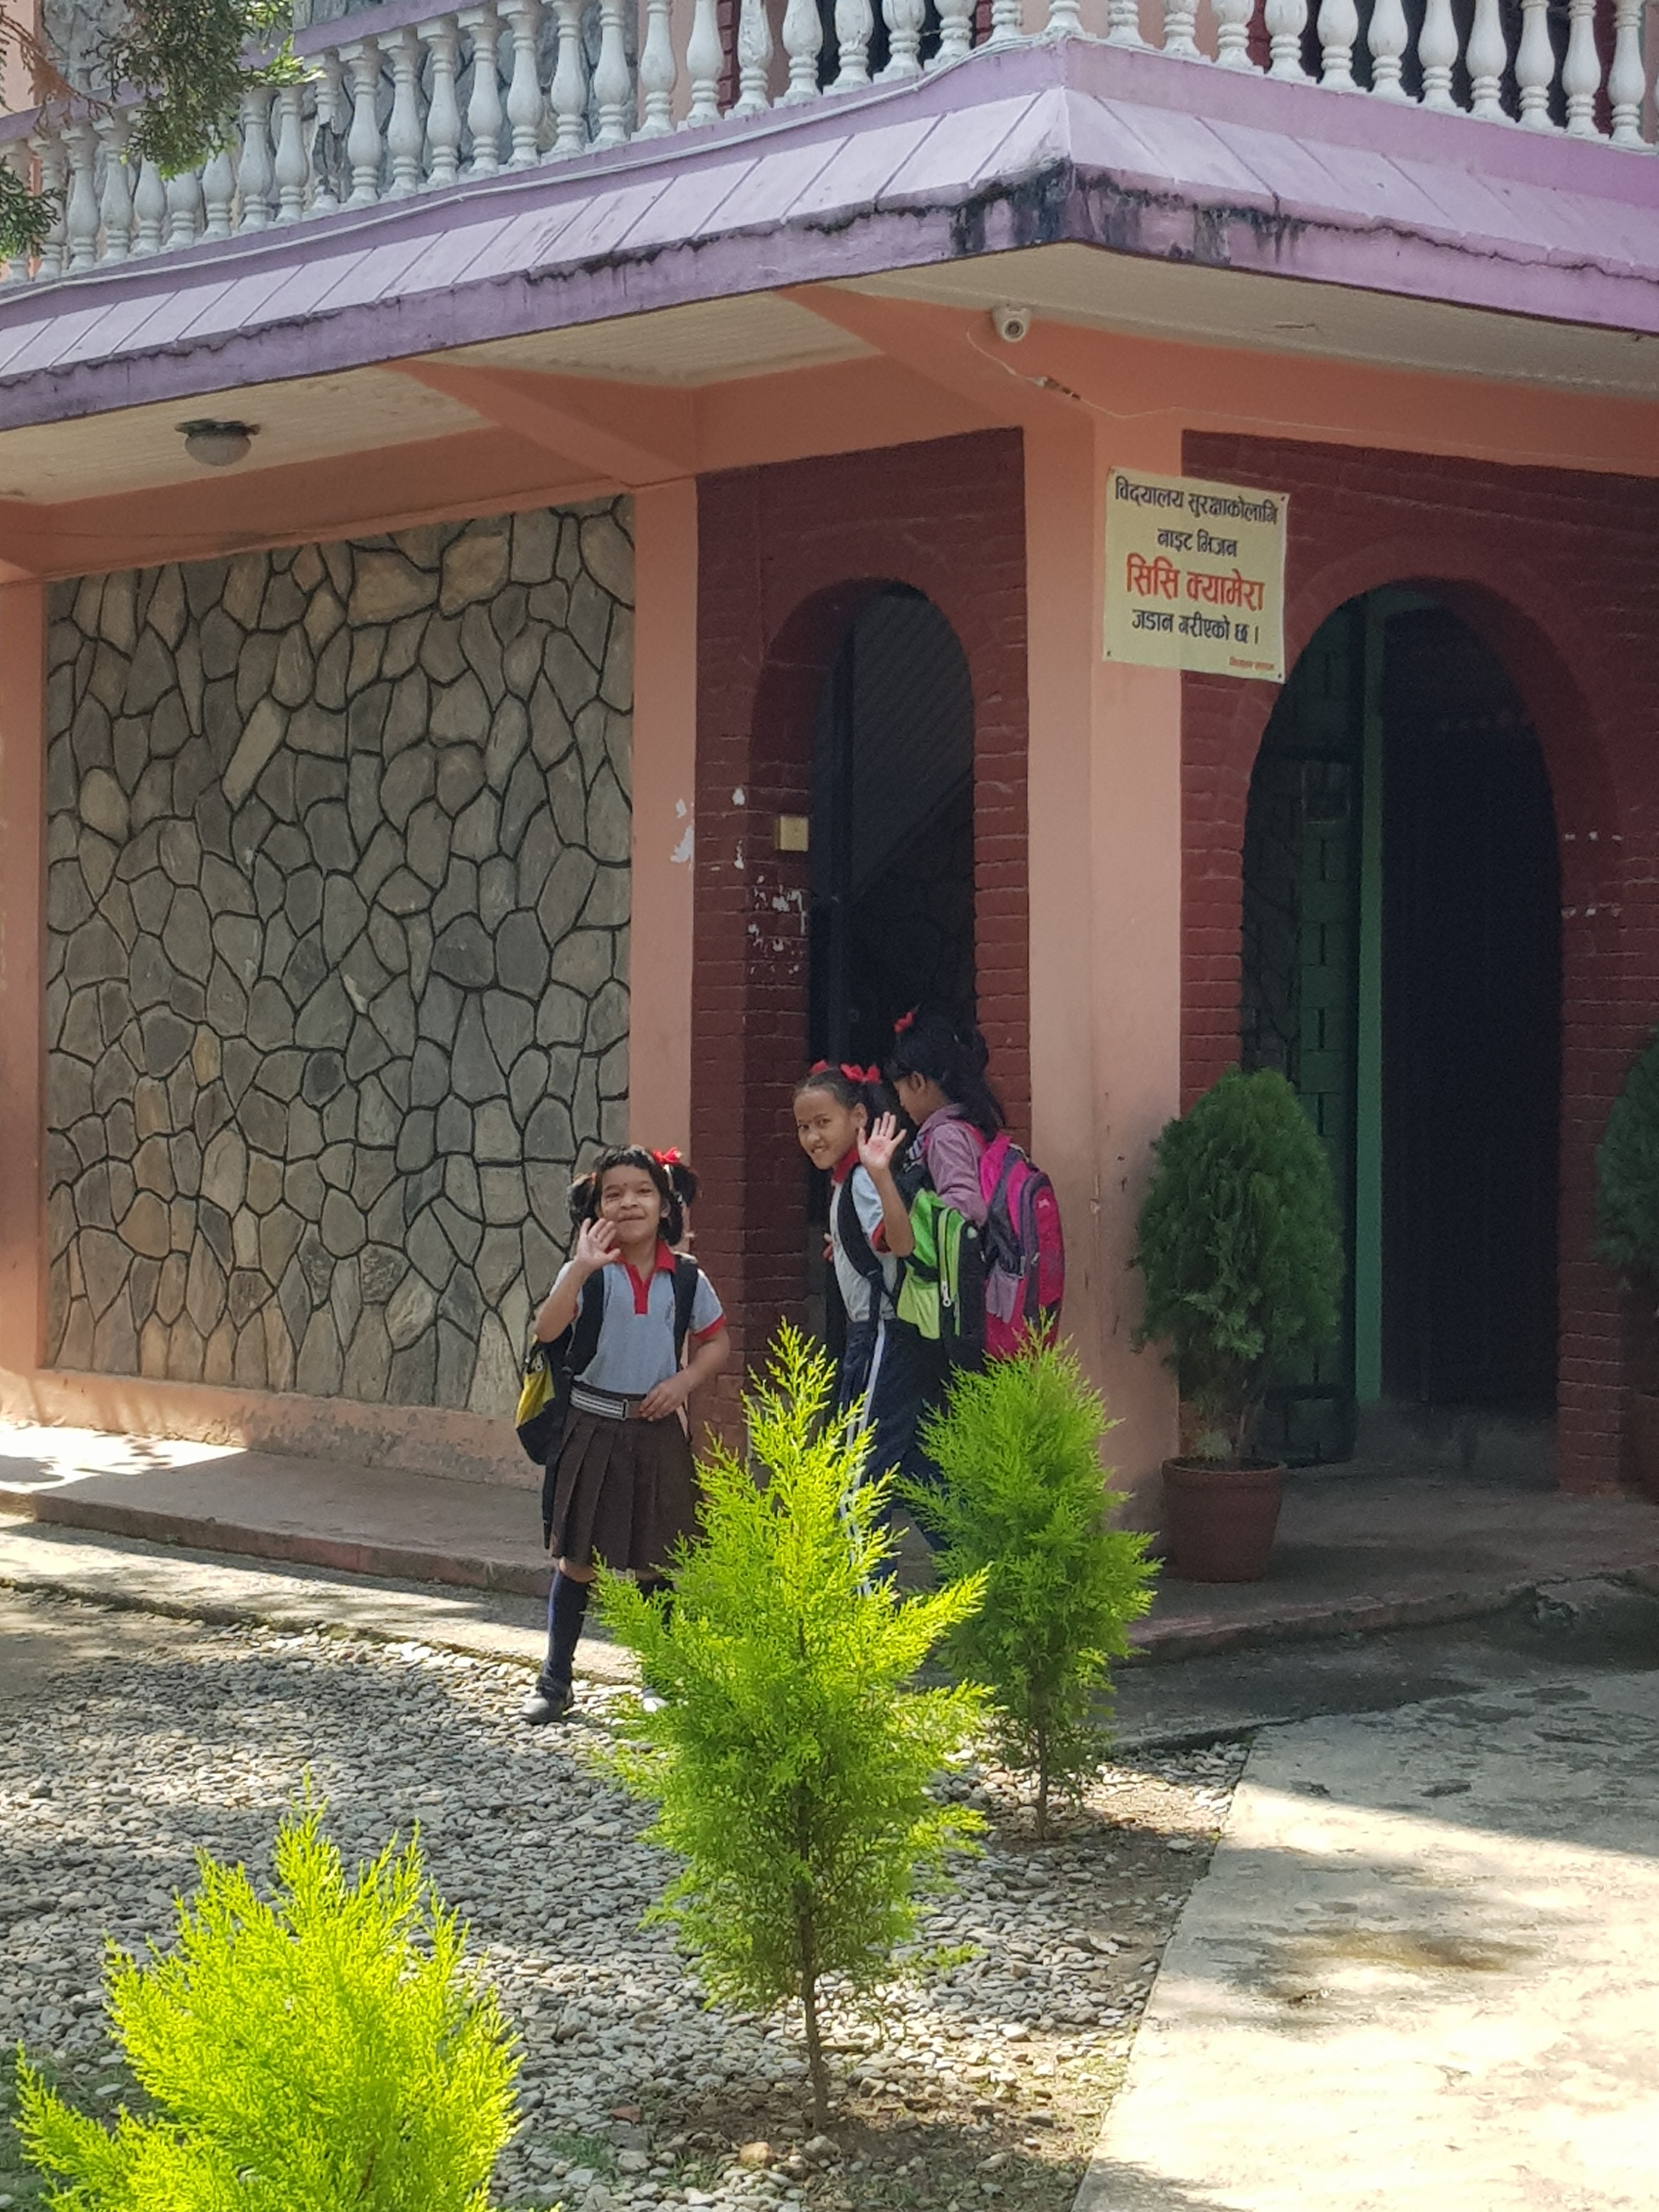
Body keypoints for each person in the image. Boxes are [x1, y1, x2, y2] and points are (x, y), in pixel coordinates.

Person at [521, 1145, 729, 1725]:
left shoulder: (686, 1278)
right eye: (613, 1194)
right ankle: (556, 1680)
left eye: (642, 1192)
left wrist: (684, 1382)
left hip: (656, 1431)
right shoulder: (588, 1274)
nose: (629, 1203)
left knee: (655, 1562)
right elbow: (546, 1329)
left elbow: (716, 1342)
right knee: (578, 1561)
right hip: (590, 1427)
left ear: (666, 1205)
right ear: (596, 1209)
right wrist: (580, 1268)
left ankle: (658, 1678)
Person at [792, 1059, 945, 1503]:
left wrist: (879, 1175)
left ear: (858, 1116)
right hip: (897, 1336)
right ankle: (961, 1549)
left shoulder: (863, 1178)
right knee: (916, 1473)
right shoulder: (848, 1181)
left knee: (857, 1475)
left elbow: (901, 1242)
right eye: (804, 1127)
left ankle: (859, 1554)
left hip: (882, 1334)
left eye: (823, 1123)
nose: (813, 1137)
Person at [885, 1005, 1004, 1231]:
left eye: (899, 1091)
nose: (901, 1103)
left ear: (917, 1082)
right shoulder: (968, 1126)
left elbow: (966, 1209)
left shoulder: (945, 1137)